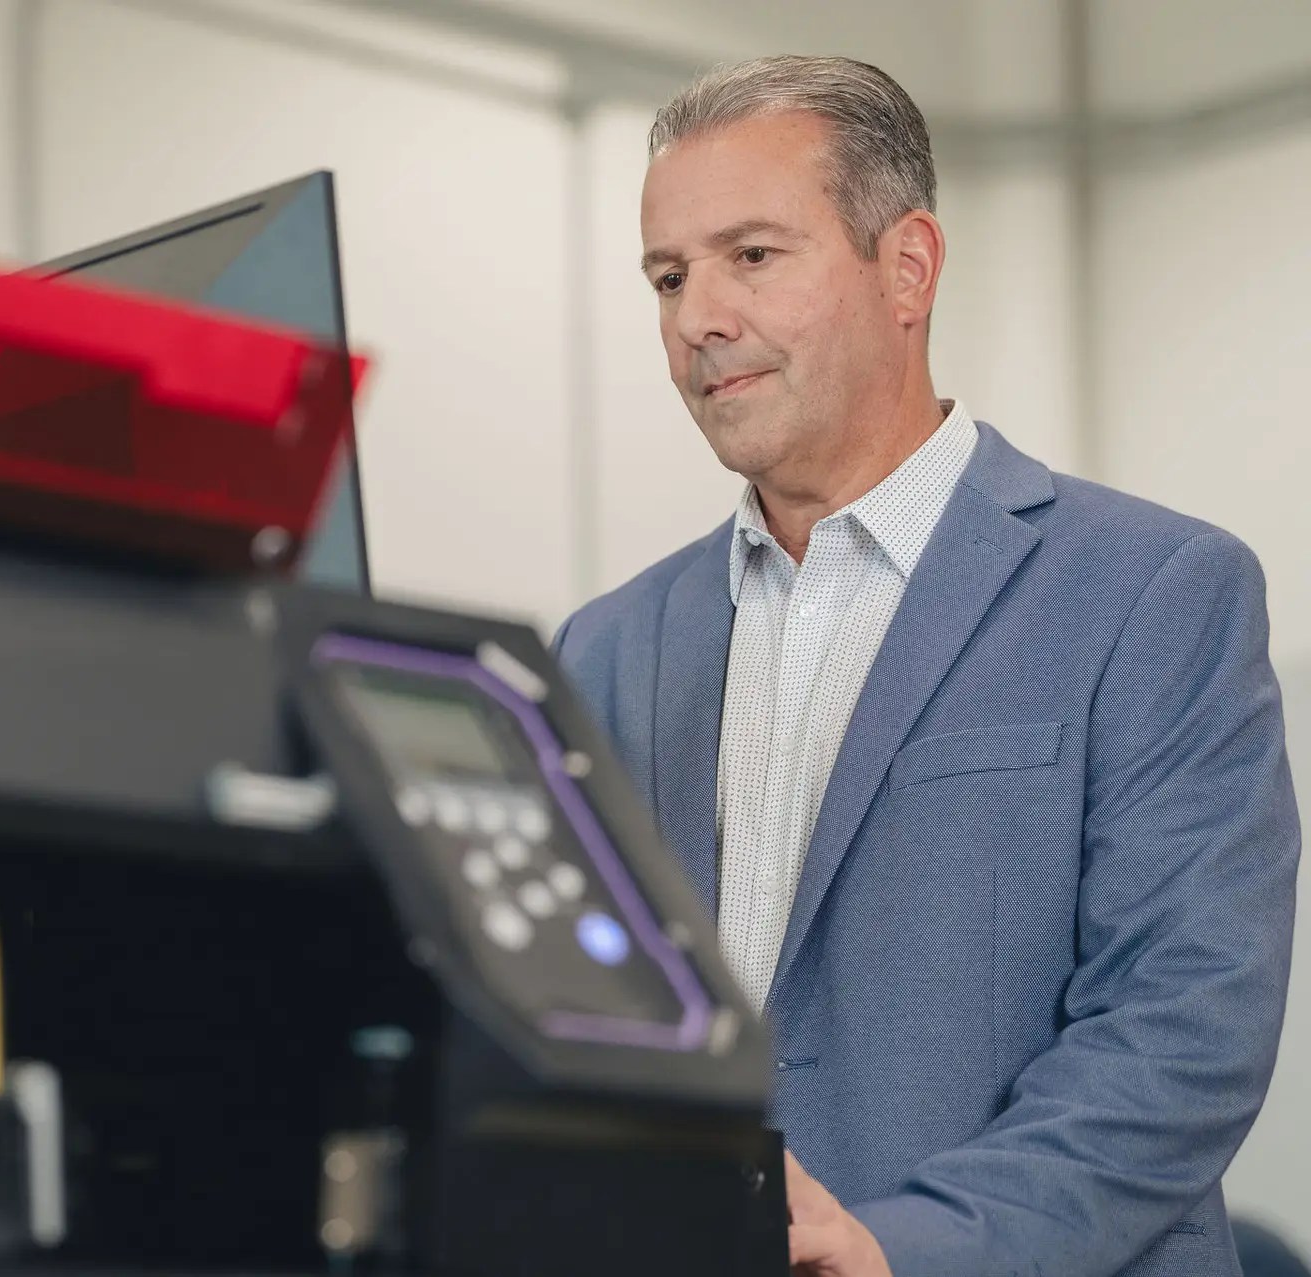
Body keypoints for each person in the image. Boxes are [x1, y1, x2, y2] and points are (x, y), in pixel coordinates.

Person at [552, 55, 1299, 1277]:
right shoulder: (608, 646)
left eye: (752, 255)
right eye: (668, 276)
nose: (698, 318)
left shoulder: (1154, 591)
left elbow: (1184, 1029)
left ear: (907, 267)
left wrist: (905, 1247)